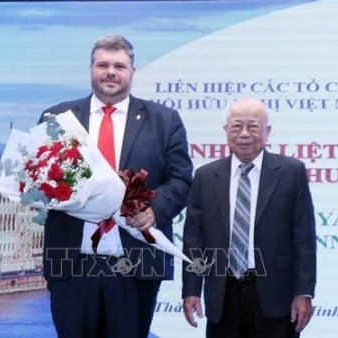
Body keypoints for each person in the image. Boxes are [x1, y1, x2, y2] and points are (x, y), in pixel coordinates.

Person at [38, 35, 193, 338]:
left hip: (134, 267)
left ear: (132, 72)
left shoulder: (165, 120)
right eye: (103, 65)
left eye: (119, 66)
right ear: (91, 69)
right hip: (72, 267)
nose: (111, 72)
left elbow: (182, 180)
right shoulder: (57, 118)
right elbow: (38, 178)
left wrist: (154, 210)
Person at [182, 97, 316, 338]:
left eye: (253, 126)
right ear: (226, 131)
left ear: (267, 131)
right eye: (236, 126)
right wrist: (191, 289)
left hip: (276, 297)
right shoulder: (205, 176)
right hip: (223, 295)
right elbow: (194, 240)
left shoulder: (290, 172)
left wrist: (304, 292)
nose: (244, 133)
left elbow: (304, 238)